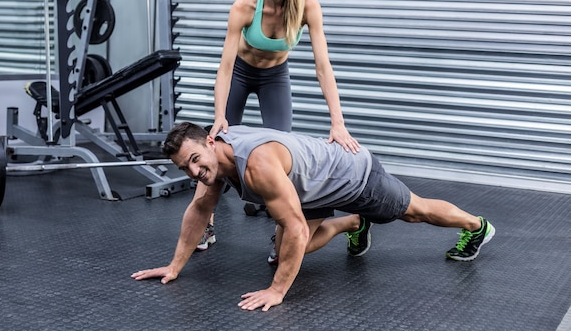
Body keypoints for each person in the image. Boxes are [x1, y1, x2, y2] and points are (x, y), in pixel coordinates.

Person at [132, 123, 496, 312]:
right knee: (285, 250)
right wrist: (174, 267)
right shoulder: (215, 164)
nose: (194, 172)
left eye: (195, 160)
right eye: (185, 168)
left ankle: (476, 226)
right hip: (309, 189)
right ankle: (352, 223)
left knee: (416, 212)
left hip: (353, 177)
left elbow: (292, 224)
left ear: (210, 142)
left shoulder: (257, 166)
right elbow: (199, 210)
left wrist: (277, 290)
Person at [197, 0, 361, 255]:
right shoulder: (243, 7)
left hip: (275, 77)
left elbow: (323, 67)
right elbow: (225, 67)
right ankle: (206, 225)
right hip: (241, 75)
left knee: (284, 154)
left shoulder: (308, 7)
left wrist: (337, 123)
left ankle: (281, 235)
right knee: (214, 147)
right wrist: (220, 115)